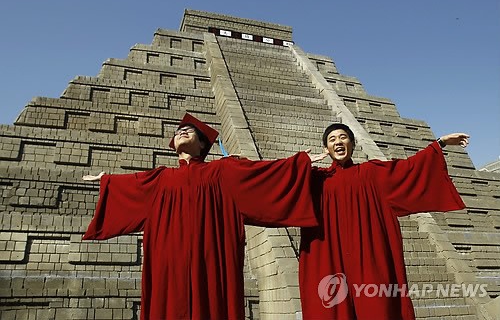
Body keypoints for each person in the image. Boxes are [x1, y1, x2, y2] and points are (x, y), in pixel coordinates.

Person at [82, 113, 319, 320]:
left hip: (211, 261)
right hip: (169, 265)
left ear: (203, 143)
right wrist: (107, 182)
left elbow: (264, 177)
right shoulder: (160, 179)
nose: (182, 131)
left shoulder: (223, 172)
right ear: (173, 145)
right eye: (179, 131)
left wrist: (298, 165)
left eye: (189, 130)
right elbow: (129, 188)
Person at [299, 123, 469, 320]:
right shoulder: (315, 180)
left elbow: (409, 169)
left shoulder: (372, 173)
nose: (338, 141)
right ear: (326, 149)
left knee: (378, 309)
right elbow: (278, 183)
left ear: (352, 144)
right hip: (329, 259)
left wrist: (440, 143)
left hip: (370, 259)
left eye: (343, 137)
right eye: (332, 139)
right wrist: (299, 166)